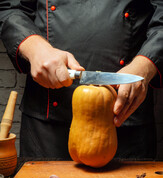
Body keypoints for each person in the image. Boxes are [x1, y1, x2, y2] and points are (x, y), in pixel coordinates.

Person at [0, 0, 162, 159]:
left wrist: (144, 66)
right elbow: (11, 7)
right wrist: (35, 49)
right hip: (47, 129)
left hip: (127, 123)